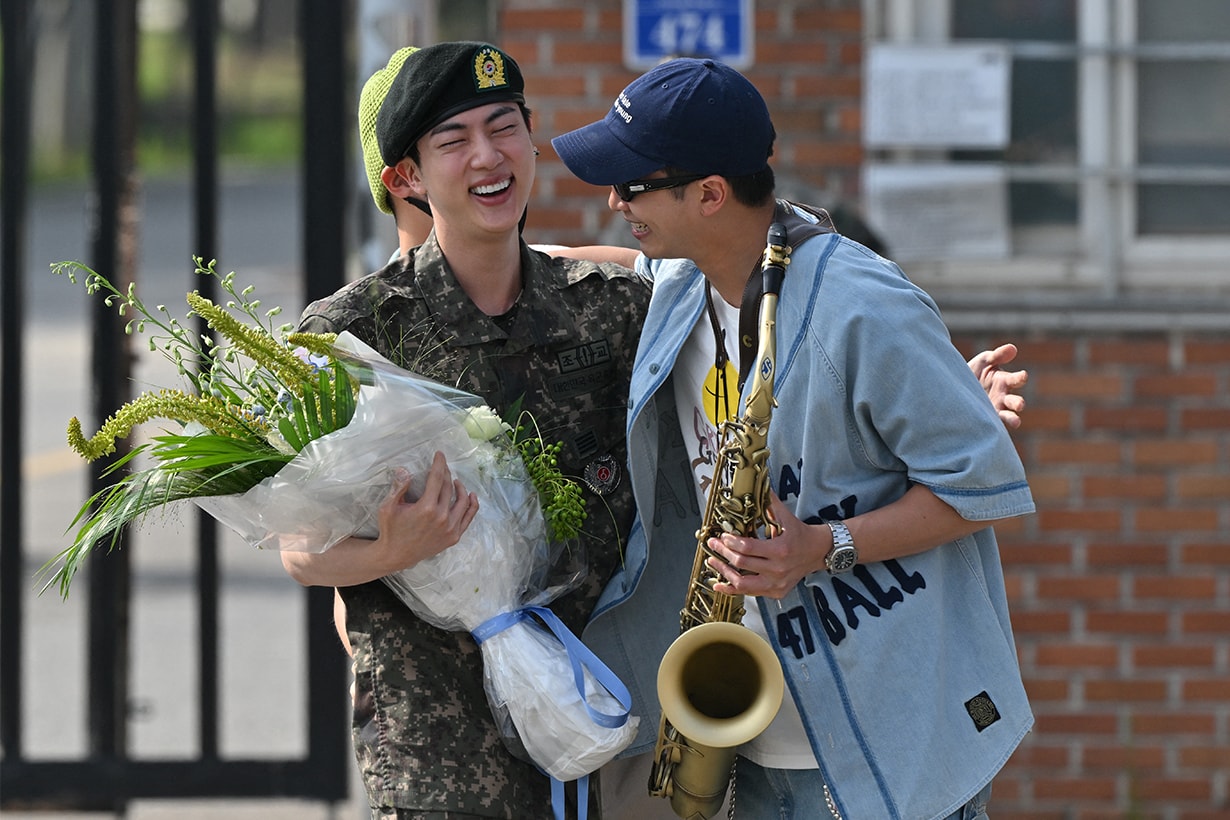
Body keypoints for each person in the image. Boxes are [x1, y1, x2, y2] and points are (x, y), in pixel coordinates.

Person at [552, 58, 1035, 819]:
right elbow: (612, 262)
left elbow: (980, 491)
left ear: (710, 194)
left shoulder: (866, 307)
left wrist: (823, 546)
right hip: (747, 751)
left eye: (633, 184)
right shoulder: (683, 280)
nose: (613, 200)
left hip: (881, 752)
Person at [281, 41, 649, 818]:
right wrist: (391, 552)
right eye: (454, 141)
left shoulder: (610, 308)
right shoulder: (354, 335)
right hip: (441, 758)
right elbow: (300, 549)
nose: (489, 156)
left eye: (504, 126)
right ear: (406, 179)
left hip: (610, 728)